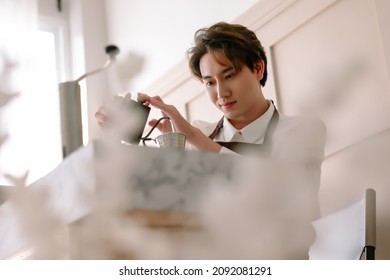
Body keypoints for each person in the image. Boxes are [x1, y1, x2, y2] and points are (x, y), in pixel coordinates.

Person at [95, 22, 326, 259]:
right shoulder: (194, 137)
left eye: (229, 75)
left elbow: (290, 196)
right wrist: (120, 133)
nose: (221, 92)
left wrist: (193, 138)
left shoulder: (301, 130)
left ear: (258, 68)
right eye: (210, 82)